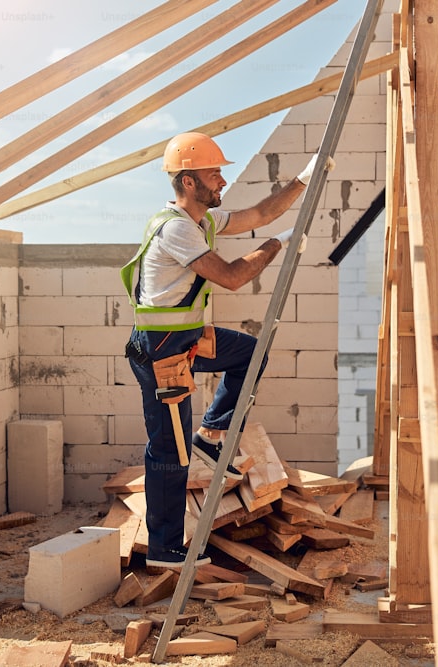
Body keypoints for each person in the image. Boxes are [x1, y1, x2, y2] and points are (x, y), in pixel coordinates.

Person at [121, 132, 333, 568]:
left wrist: (303, 180)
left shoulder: (201, 221)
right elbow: (233, 276)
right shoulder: (178, 228)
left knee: (249, 354)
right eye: (213, 173)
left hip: (185, 339)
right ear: (188, 182)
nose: (221, 180)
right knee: (169, 453)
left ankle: (211, 435)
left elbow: (259, 213)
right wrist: (280, 243)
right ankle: (164, 548)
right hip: (162, 352)